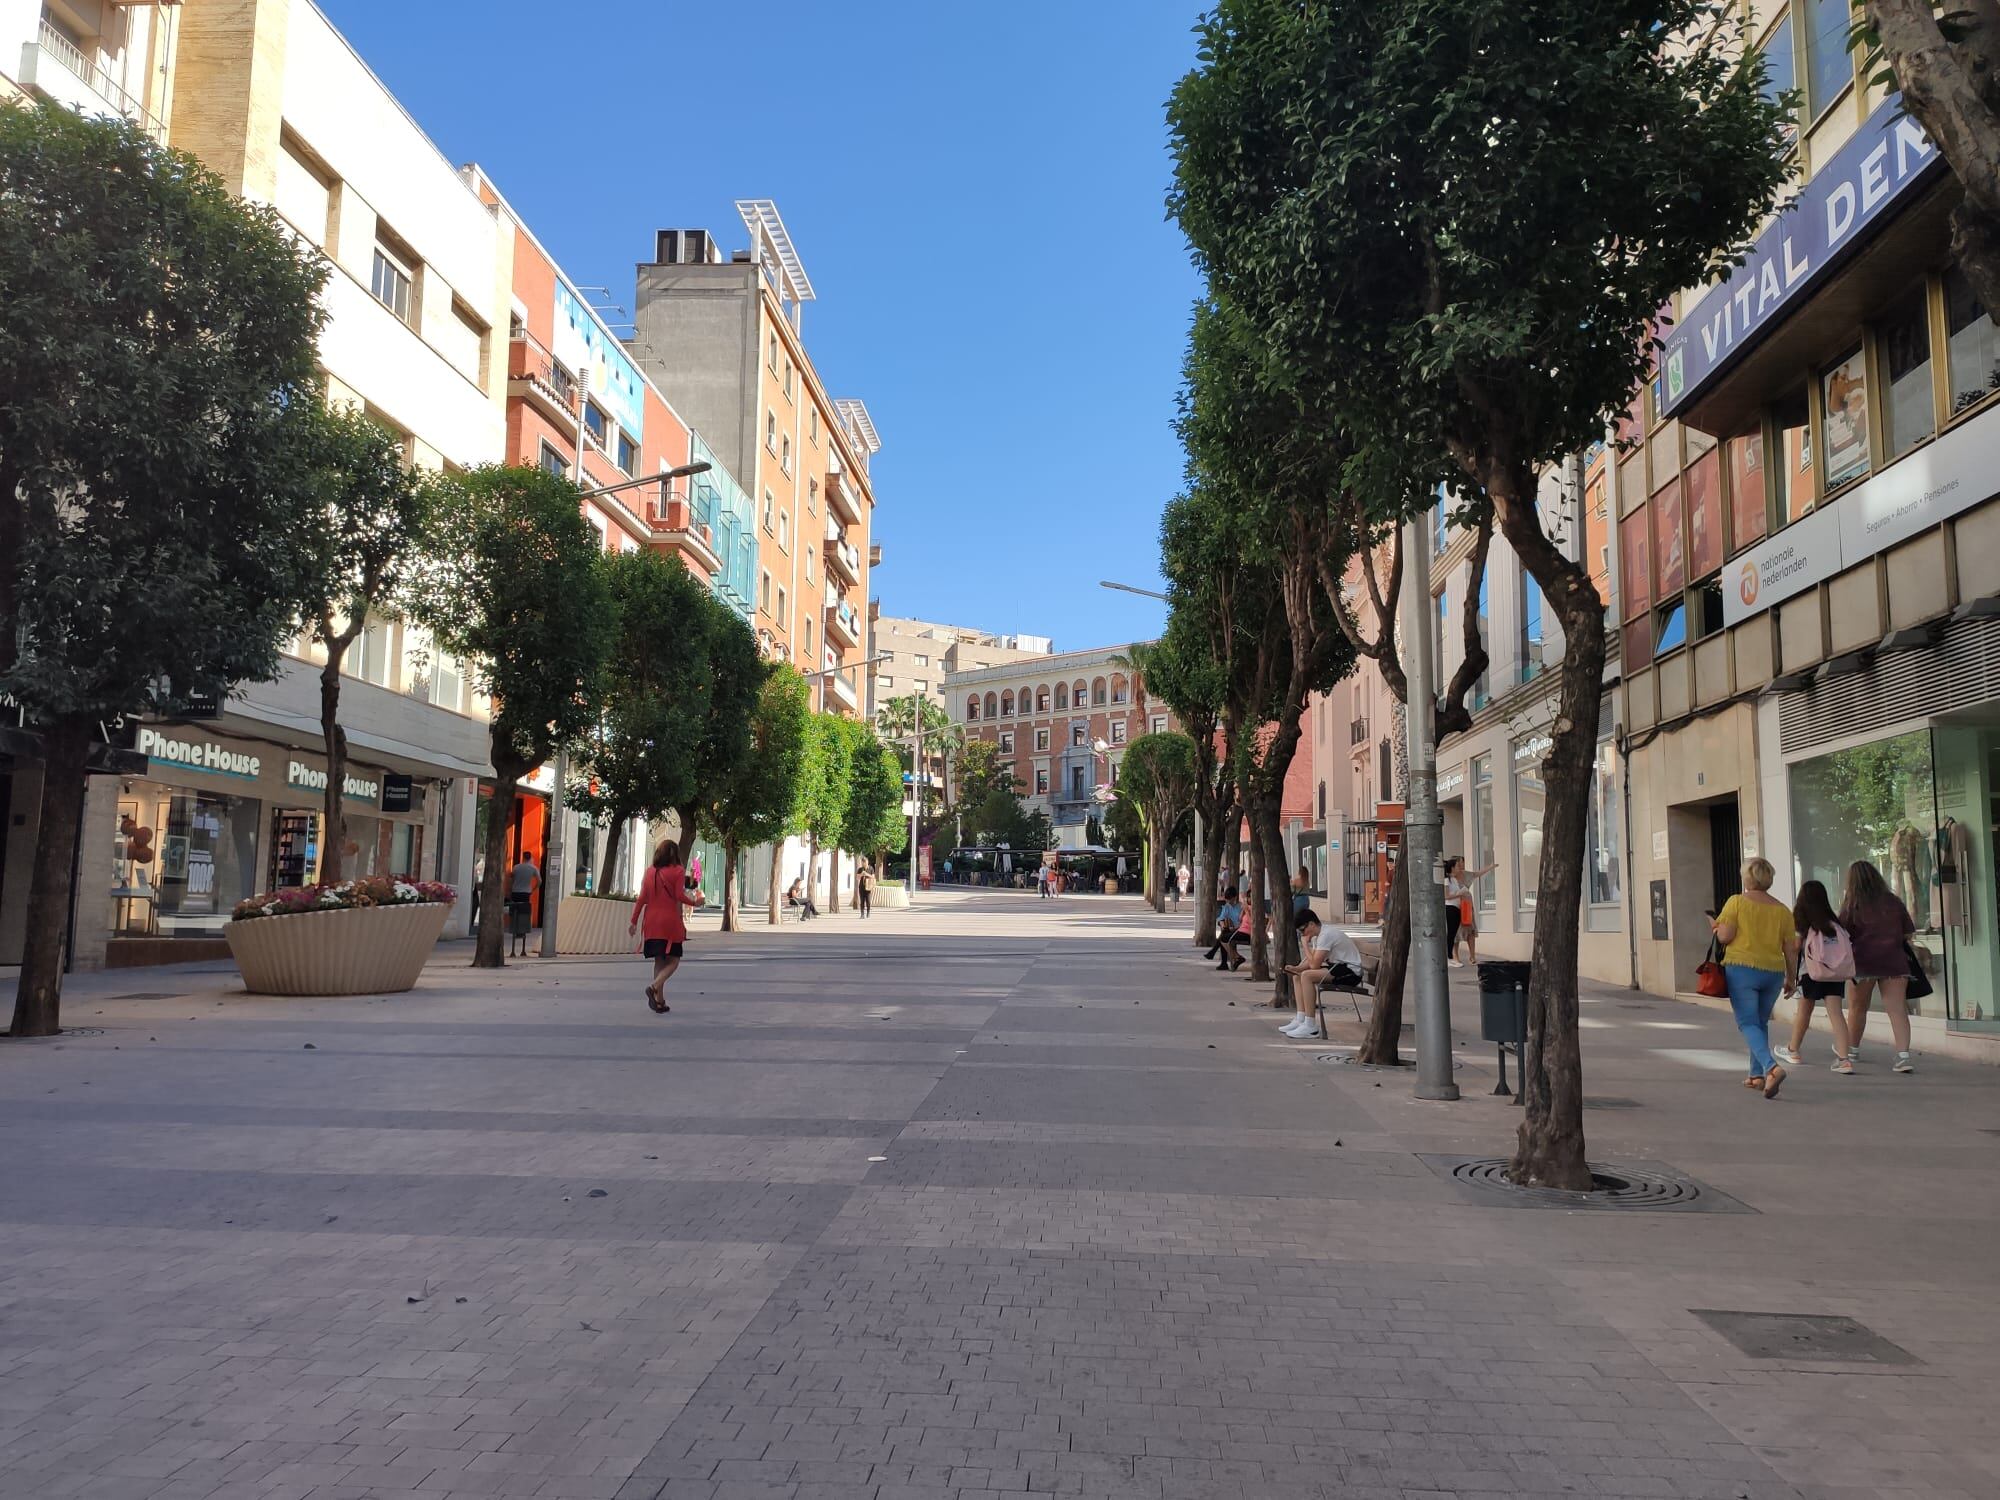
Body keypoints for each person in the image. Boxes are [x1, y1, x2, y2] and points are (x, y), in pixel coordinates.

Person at [1711, 857, 1799, 1098]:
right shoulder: (1782, 911)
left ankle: (1771, 1069)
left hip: (1742, 969)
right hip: (1772, 971)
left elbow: (1725, 937)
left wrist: (1716, 927)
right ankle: (1756, 1075)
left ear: (1747, 878)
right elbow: (1791, 948)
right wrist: (1792, 977)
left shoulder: (1736, 902)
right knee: (1759, 1023)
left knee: (1747, 1023)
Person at [1840, 859, 1917, 1073]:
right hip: (1894, 961)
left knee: (1857, 1008)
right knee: (1897, 1009)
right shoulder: (1892, 901)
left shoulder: (1852, 903)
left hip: (1863, 962)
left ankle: (1852, 1050)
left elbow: (1842, 932)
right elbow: (1908, 932)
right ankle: (1903, 1056)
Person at [1779, 880, 1855, 1074]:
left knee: (1804, 1011)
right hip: (1834, 973)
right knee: (1836, 1014)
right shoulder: (1834, 922)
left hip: (1811, 973)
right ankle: (1844, 1059)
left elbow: (1795, 948)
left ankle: (1793, 1050)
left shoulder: (1801, 921)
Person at [629, 838, 703, 1013]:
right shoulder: (677, 871)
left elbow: (641, 899)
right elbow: (678, 895)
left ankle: (659, 1001)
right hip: (669, 922)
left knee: (659, 960)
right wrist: (695, 902)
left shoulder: (649, 872)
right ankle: (654, 987)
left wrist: (633, 921)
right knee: (674, 960)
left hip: (652, 922)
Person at [1280, 909, 1365, 1041]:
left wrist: (1305, 945)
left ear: (1312, 924)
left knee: (1307, 976)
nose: (1303, 934)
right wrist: (1297, 968)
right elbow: (1311, 960)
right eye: (1300, 932)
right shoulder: (1320, 935)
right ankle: (1301, 1018)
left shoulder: (1326, 935)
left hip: (1351, 972)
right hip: (1338, 967)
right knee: (1298, 975)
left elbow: (1314, 964)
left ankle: (1310, 1026)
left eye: (1303, 930)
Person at [1443, 857, 1495, 967]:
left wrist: (1490, 867)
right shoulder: (1449, 878)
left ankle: (1472, 956)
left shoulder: (1463, 875)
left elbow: (1476, 874)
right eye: (1459, 863)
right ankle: (1454, 957)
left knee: (1470, 929)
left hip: (1466, 905)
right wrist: (1460, 893)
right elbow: (1447, 895)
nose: (1461, 865)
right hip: (1455, 905)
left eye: (1461, 863)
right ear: (1454, 866)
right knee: (1454, 932)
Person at [506, 851, 540, 958]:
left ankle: (514, 929)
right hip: (526, 894)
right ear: (531, 858)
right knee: (524, 915)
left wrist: (510, 891)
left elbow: (511, 879)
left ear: (523, 857)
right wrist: (533, 889)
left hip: (515, 893)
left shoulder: (516, 867)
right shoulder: (533, 868)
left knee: (514, 913)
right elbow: (539, 881)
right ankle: (522, 932)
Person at [1206, 888, 1241, 966]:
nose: (1228, 901)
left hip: (1239, 929)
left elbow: (1242, 921)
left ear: (1235, 897)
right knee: (1224, 934)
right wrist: (1222, 924)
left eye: (1230, 899)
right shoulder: (1227, 907)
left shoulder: (1240, 907)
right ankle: (1221, 961)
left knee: (1223, 936)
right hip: (1230, 929)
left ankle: (1217, 956)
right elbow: (1221, 918)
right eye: (1227, 899)